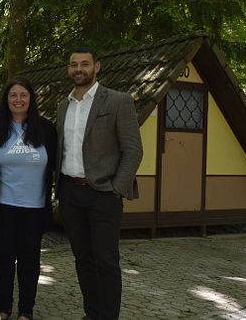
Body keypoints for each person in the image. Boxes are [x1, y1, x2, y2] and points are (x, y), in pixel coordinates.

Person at [56, 47, 142, 320]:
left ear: (97, 67)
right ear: (69, 69)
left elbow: (133, 150)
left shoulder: (118, 101)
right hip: (70, 193)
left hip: (104, 193)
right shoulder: (63, 105)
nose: (78, 69)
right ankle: (91, 314)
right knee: (83, 260)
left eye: (84, 64)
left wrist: (116, 189)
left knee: (106, 262)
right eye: (73, 65)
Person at [0, 77, 57, 320]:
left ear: (31, 99)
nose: (18, 99)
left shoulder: (46, 129)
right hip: (3, 207)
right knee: (2, 260)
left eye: (23, 95)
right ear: (6, 100)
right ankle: (4, 308)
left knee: (29, 262)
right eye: (13, 95)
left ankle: (26, 311)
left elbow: (54, 165)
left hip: (34, 207)